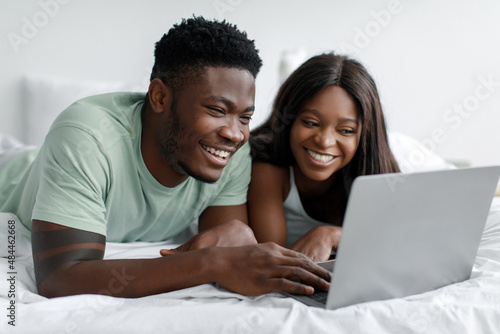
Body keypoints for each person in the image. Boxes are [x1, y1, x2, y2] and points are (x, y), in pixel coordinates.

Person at [0, 17, 330, 298]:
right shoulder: (86, 136)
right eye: (217, 110)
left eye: (245, 117)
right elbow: (60, 278)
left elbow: (226, 249)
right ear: (159, 96)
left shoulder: (231, 150)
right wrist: (212, 263)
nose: (235, 133)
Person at [248, 53, 400, 262]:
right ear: (289, 120)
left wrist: (332, 235)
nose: (325, 141)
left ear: (364, 136)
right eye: (311, 123)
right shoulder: (268, 169)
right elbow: (275, 262)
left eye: (346, 131)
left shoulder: (374, 173)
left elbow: (398, 240)